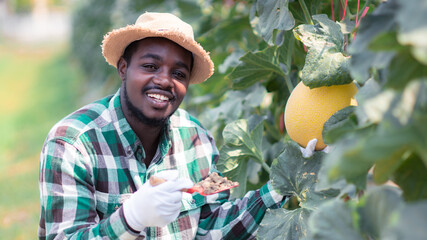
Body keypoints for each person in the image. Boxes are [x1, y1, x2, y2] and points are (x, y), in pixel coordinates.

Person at [38, 12, 287, 240]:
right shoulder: (72, 143)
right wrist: (130, 218)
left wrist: (280, 186)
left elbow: (212, 228)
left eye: (179, 74)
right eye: (150, 66)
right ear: (123, 68)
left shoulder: (196, 138)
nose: (164, 80)